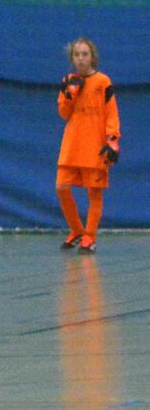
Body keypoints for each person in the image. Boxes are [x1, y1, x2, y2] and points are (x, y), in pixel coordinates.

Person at [56, 37, 120, 254]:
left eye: (85, 54)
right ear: (72, 58)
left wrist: (113, 140)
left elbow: (112, 112)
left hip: (95, 146)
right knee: (61, 187)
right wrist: (68, 95)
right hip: (72, 144)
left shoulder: (103, 82)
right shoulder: (68, 80)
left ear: (92, 56)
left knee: (95, 192)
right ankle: (77, 230)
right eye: (77, 55)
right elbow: (63, 113)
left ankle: (89, 237)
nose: (81, 59)